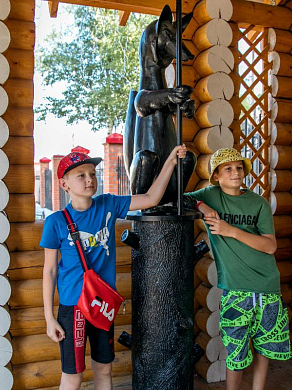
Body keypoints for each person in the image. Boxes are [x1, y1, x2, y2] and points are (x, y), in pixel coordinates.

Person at [41, 145, 187, 390]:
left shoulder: (107, 204)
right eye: (81, 175)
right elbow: (50, 271)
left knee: (104, 369)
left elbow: (151, 198)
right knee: (73, 375)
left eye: (92, 174)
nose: (89, 179)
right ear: (64, 184)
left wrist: (171, 161)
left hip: (102, 304)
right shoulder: (55, 222)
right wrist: (48, 318)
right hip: (73, 307)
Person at [185, 148, 291, 390]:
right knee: (236, 351)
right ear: (216, 176)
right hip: (235, 290)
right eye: (228, 169)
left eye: (239, 167)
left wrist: (230, 231)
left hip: (267, 287)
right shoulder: (210, 195)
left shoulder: (258, 203)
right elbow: (180, 198)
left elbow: (270, 246)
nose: (235, 172)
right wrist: (201, 205)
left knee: (265, 348)